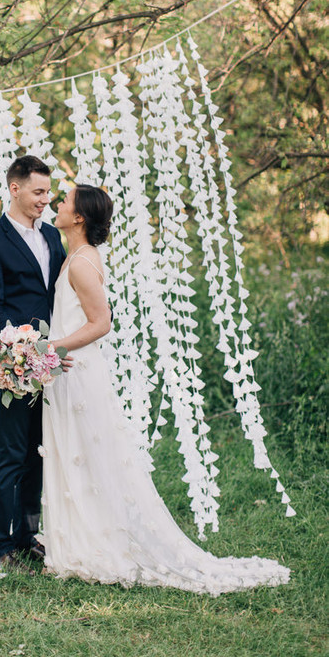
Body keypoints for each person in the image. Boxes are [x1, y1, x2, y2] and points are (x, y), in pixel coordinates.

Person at [43, 183, 290, 594]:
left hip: (77, 370)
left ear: (80, 217)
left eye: (64, 201)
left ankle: (97, 545)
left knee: (88, 456)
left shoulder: (83, 264)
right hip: (68, 369)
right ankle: (80, 541)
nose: (58, 204)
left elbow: (101, 323)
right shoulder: (76, 257)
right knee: (77, 457)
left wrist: (49, 349)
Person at [0, 155, 67, 573]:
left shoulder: (52, 237)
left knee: (38, 453)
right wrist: (22, 340)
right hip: (16, 361)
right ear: (15, 189)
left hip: (56, 360)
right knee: (9, 454)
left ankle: (28, 537)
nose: (46, 200)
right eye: (38, 192)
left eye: (48, 192)